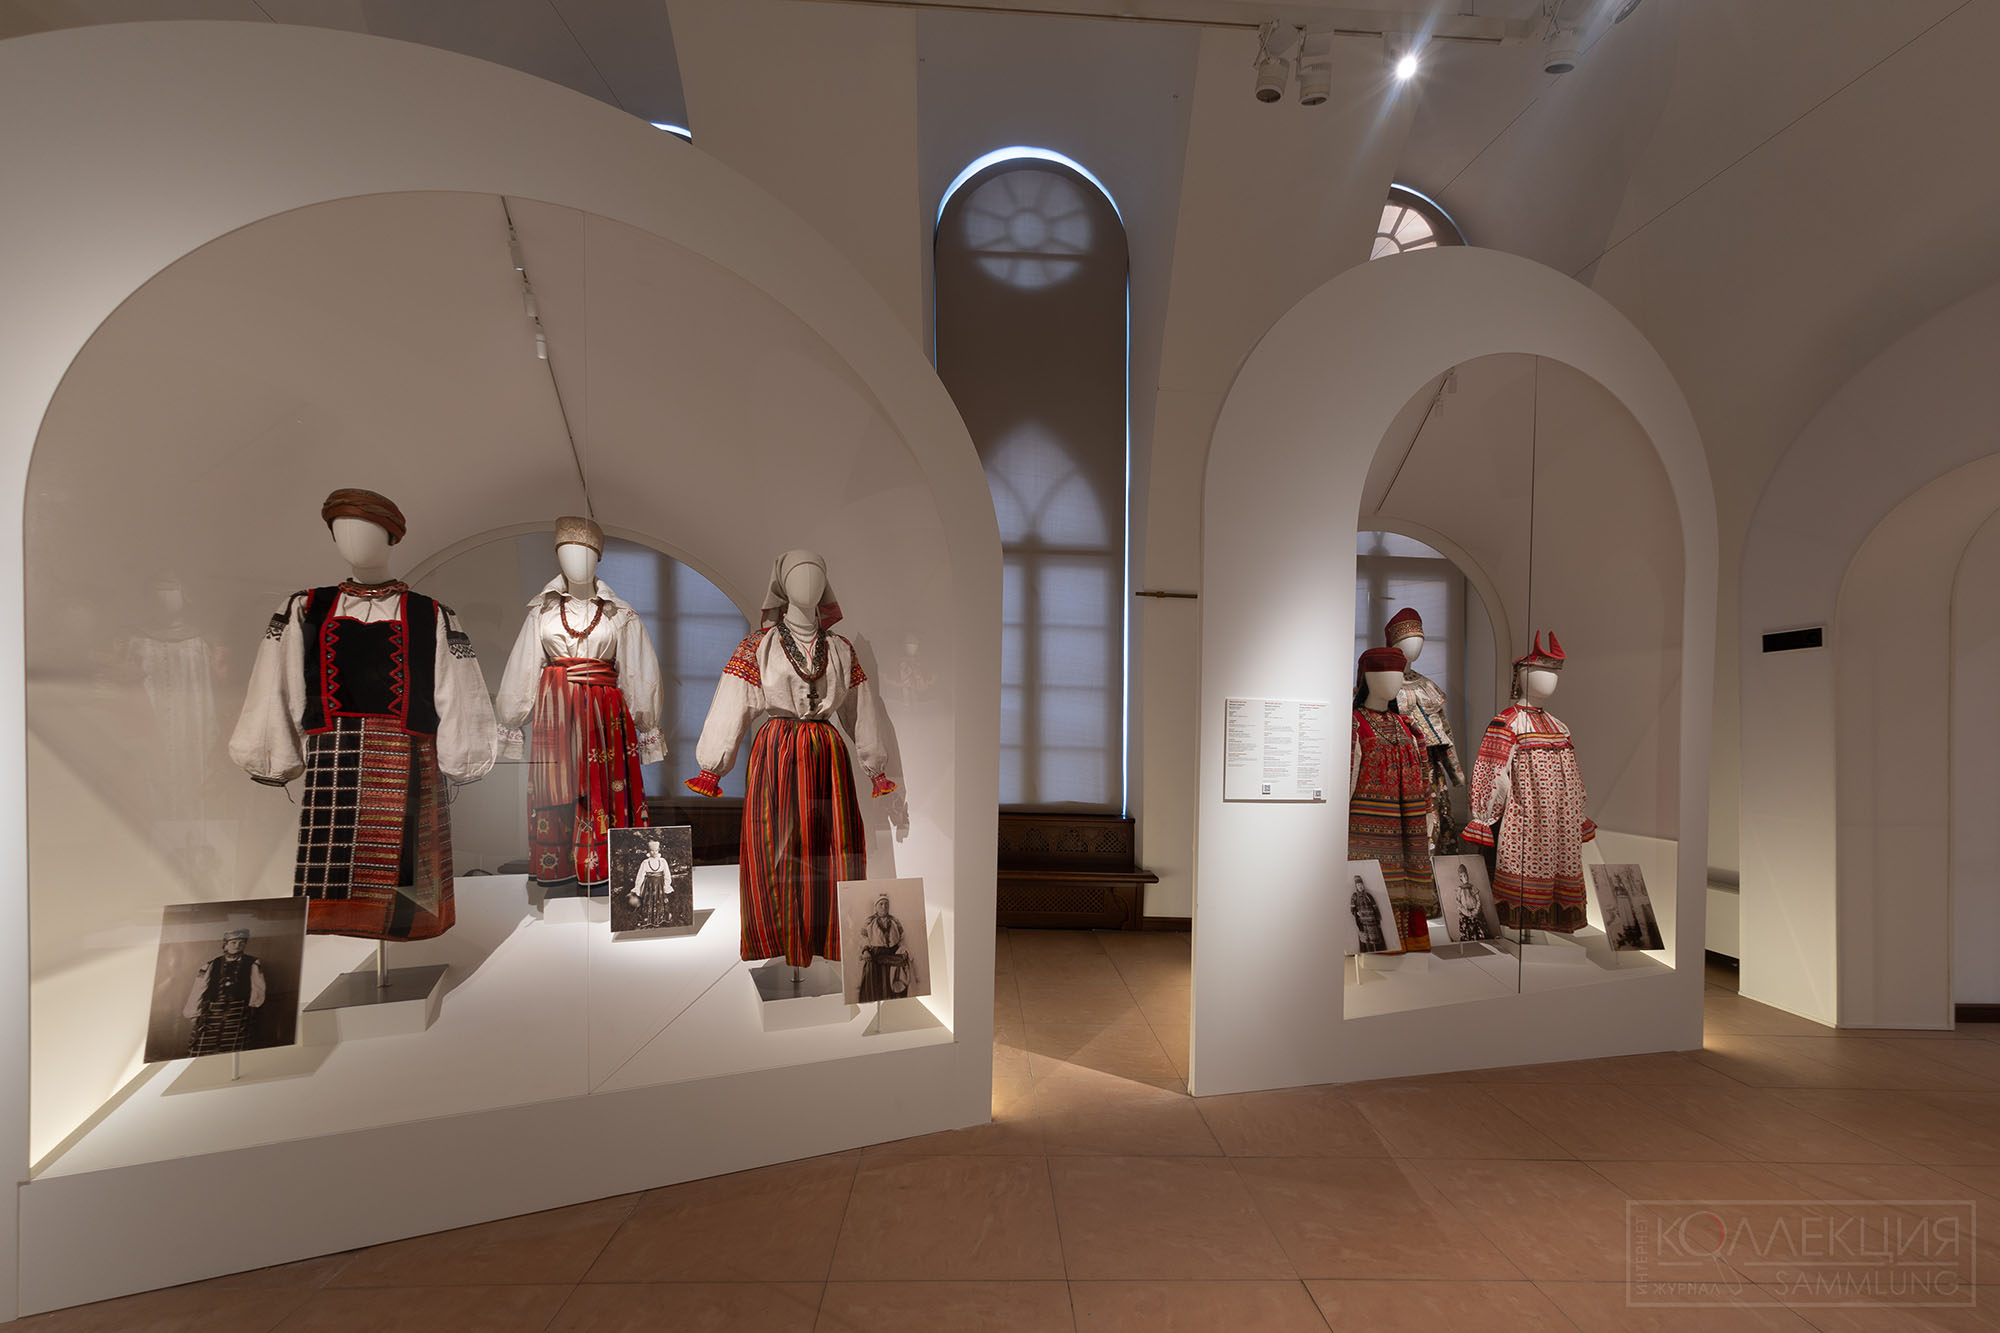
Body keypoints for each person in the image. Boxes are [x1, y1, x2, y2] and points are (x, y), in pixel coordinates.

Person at [183, 928, 266, 1056]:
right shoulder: (211, 964)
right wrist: (193, 1013)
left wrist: (253, 1009)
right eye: (233, 943)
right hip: (212, 1014)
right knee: (202, 1048)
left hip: (238, 1014)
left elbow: (258, 987)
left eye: (241, 943)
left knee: (234, 1050)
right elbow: (198, 988)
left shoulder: (252, 963)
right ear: (225, 945)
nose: (237, 946)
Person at [856, 894, 913, 1002]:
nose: (884, 907)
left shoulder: (895, 921)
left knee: (892, 985)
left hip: (892, 956)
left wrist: (904, 950)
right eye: (881, 904)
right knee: (875, 987)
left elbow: (902, 938)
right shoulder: (869, 921)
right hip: (875, 956)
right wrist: (865, 950)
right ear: (876, 907)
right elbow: (863, 937)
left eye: (886, 904)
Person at [627, 835, 672, 930]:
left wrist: (666, 885)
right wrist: (637, 887)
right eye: (652, 850)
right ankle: (648, 919)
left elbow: (667, 874)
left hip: (659, 885)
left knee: (660, 900)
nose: (654, 852)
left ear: (658, 850)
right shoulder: (645, 862)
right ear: (649, 850)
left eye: (656, 850)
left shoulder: (662, 861)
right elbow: (640, 876)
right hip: (649, 886)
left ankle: (660, 918)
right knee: (648, 901)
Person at [1452, 863, 1496, 941]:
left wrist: (1475, 911)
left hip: (1476, 912)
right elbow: (1458, 904)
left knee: (1480, 930)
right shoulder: (1459, 890)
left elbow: (1478, 900)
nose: (1465, 878)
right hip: (1466, 914)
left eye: (1466, 875)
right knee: (1468, 932)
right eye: (1463, 876)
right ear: (1460, 877)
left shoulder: (1473, 887)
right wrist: (1467, 913)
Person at [1350, 876, 1388, 954]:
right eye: (1358, 885)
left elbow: (1375, 908)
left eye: (1361, 884)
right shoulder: (1354, 896)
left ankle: (1378, 954)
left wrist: (1378, 920)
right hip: (1362, 922)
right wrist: (1356, 912)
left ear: (1363, 885)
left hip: (1372, 922)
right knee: (1365, 941)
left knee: (1374, 941)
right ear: (1356, 886)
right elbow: (1352, 909)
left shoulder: (1368, 895)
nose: (1360, 886)